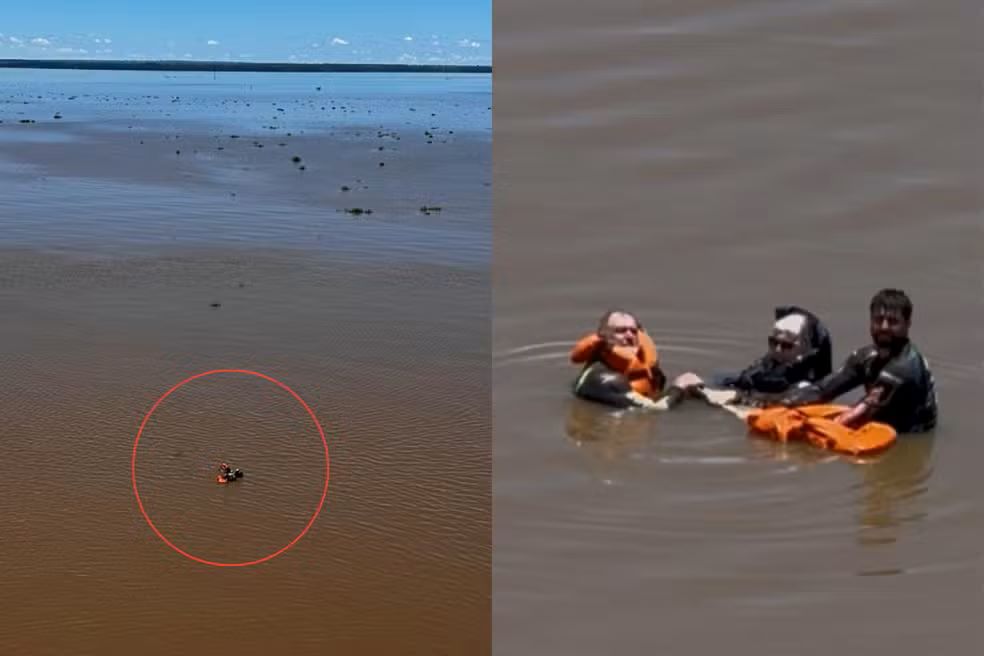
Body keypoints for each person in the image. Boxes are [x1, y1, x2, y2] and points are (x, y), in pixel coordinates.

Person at [777, 289, 937, 433]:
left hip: (909, 435)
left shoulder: (906, 365)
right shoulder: (865, 358)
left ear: (907, 325)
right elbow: (823, 391)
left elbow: (858, 415)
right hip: (877, 418)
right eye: (878, 319)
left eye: (893, 321)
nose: (884, 327)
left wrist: (806, 429)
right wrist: (778, 403)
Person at [685, 305, 833, 407]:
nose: (777, 349)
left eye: (787, 345)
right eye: (773, 342)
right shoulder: (766, 365)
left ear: (806, 349)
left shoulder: (805, 386)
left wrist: (738, 398)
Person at [570, 309, 697, 410]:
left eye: (633, 331)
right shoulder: (604, 378)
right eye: (621, 331)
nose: (630, 336)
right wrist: (678, 387)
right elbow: (656, 409)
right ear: (604, 338)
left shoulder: (643, 361)